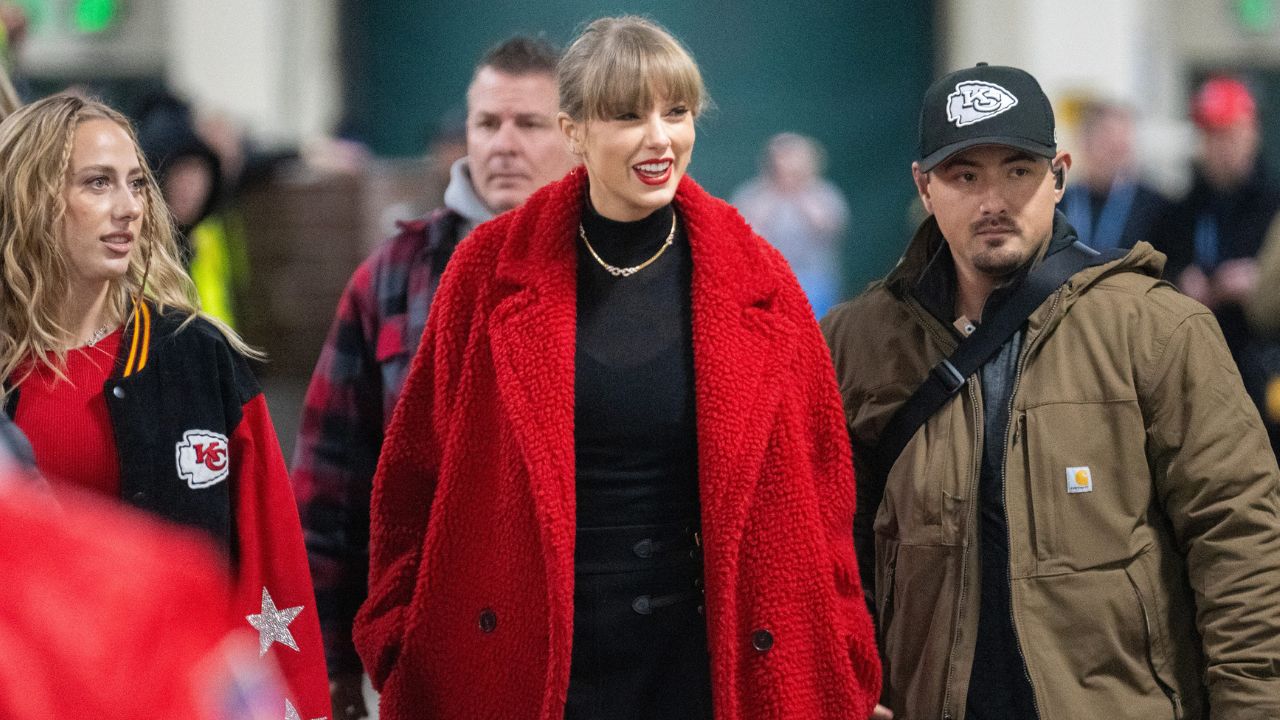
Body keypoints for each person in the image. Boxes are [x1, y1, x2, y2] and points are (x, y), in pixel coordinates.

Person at [353, 16, 882, 720]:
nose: (660, 138)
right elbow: (411, 477)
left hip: (705, 668)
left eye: (677, 112)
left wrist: (843, 653)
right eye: (628, 115)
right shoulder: (487, 270)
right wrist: (398, 641)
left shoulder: (760, 277)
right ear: (573, 130)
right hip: (527, 668)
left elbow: (822, 493)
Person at [822, 63, 1280, 719]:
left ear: (1059, 175)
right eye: (964, 175)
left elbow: (1240, 541)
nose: (993, 200)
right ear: (923, 186)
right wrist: (843, 684)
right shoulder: (856, 343)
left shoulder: (1155, 329)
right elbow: (825, 549)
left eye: (1018, 170)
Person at [0, 94, 329, 717]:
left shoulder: (198, 357)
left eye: (135, 184)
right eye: (97, 183)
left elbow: (272, 566)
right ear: (31, 198)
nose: (128, 207)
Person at [290, 35, 575, 719]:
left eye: (529, 124)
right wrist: (331, 662)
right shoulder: (393, 276)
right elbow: (330, 489)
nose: (504, 144)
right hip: (439, 655)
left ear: (575, 136)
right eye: (487, 123)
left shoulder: (614, 271)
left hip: (588, 649)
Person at [1154, 76, 1280, 454]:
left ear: (1252, 133)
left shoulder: (1272, 204)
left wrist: (1260, 284)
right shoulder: (1179, 209)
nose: (1220, 148)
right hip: (1196, 367)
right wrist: (1179, 280)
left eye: (1230, 135)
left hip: (1262, 362)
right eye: (1211, 137)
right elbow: (1149, 271)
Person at [732, 132, 850, 317]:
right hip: (767, 281)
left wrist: (799, 188)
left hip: (814, 283)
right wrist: (772, 190)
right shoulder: (752, 195)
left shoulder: (824, 194)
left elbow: (827, 227)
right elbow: (746, 233)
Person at [1059, 99, 1166, 250]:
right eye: (1108, 143)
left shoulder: (1156, 209)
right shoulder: (1060, 203)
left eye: (1123, 146)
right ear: (1084, 142)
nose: (1118, 153)